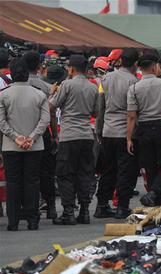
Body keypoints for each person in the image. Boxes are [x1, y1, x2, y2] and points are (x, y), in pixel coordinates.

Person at [0, 58, 50, 231]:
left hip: (11, 146)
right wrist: (32, 137)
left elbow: (1, 121)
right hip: (34, 146)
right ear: (27, 74)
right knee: (32, 182)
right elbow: (45, 120)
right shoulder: (39, 94)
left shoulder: (4, 94)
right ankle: (32, 219)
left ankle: (13, 221)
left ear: (12, 74)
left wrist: (16, 137)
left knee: (13, 183)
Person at [49, 55, 99, 225]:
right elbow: (96, 113)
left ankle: (68, 212)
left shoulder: (67, 85)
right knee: (85, 173)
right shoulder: (93, 87)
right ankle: (84, 211)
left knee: (65, 174)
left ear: (71, 69)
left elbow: (52, 106)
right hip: (86, 135)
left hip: (68, 135)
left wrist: (51, 95)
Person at [127, 53, 161, 207]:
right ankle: (154, 193)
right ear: (154, 67)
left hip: (144, 128)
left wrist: (129, 138)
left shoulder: (134, 88)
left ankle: (155, 198)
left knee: (149, 165)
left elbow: (131, 116)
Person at [95, 49, 140, 219]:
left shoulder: (106, 79)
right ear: (135, 64)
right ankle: (122, 206)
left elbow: (101, 107)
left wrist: (99, 130)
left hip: (108, 131)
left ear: (120, 61)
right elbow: (135, 111)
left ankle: (101, 205)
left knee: (108, 170)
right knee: (125, 171)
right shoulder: (134, 82)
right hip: (125, 132)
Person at [22, 51, 58, 220]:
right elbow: (50, 114)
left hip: (22, 134)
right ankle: (51, 206)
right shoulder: (46, 87)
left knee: (26, 173)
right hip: (42, 133)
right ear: (39, 67)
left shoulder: (18, 86)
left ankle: (29, 208)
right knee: (46, 173)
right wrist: (54, 135)